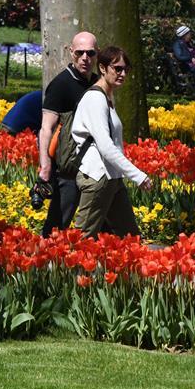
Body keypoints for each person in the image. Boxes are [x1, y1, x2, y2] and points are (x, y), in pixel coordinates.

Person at [70, 46, 153, 237]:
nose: (122, 73)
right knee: (81, 240)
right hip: (98, 177)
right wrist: (138, 176)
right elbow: (105, 146)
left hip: (112, 179)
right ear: (102, 68)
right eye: (117, 68)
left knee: (130, 238)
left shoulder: (108, 97)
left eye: (125, 69)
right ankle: (61, 267)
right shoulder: (95, 99)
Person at [38, 31, 99, 238]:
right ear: (70, 52)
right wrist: (45, 166)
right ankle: (46, 261)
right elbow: (46, 128)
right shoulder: (61, 84)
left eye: (90, 53)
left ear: (96, 54)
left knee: (101, 221)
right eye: (80, 53)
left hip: (95, 166)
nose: (85, 58)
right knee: (58, 221)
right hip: (69, 166)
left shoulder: (99, 83)